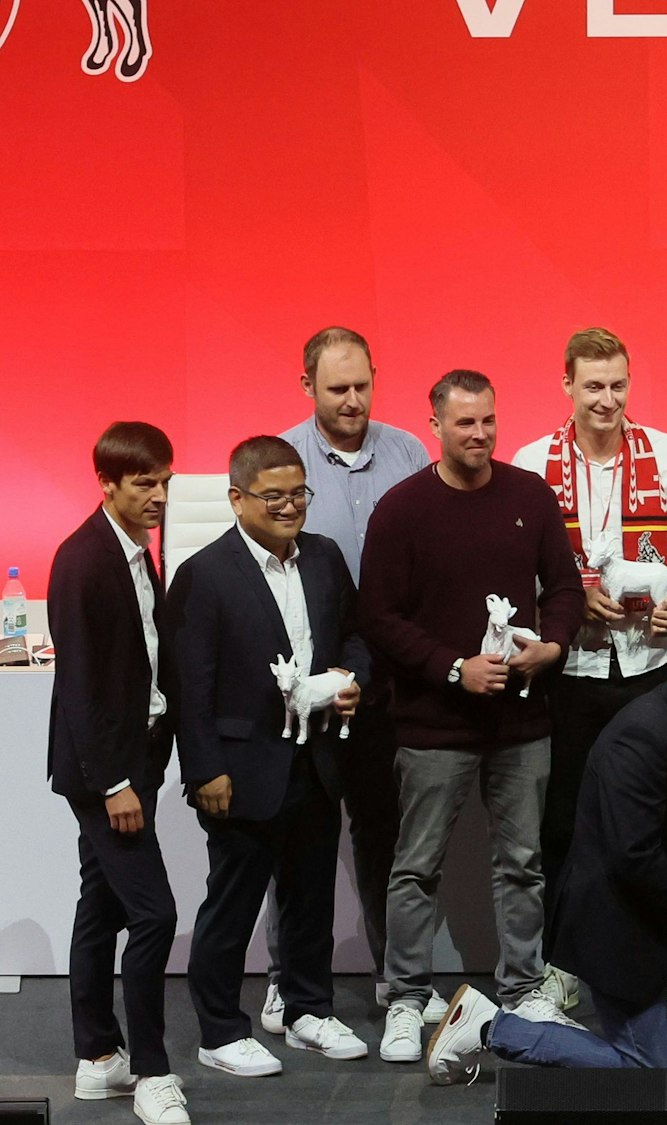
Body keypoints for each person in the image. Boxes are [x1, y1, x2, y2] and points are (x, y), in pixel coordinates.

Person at [423, 620, 667, 1080]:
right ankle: (491, 1028)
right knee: (644, 1076)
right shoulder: (641, 736)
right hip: (621, 921)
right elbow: (632, 859)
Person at [360, 370, 585, 1063]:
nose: (481, 434)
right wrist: (453, 667)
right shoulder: (401, 508)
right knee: (415, 866)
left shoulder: (529, 494)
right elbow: (379, 617)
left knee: (522, 863)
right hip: (432, 725)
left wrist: (550, 646)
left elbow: (568, 588)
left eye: (489, 421)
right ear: (435, 424)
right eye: (466, 423)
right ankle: (404, 997)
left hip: (522, 723)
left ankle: (523, 990)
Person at [168, 437, 371, 1077]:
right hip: (239, 769)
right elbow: (188, 684)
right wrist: (204, 770)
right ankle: (221, 1031)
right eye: (273, 495)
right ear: (237, 498)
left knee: (310, 899)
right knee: (231, 906)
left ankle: (308, 1011)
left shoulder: (325, 557)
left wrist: (350, 676)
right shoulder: (203, 573)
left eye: (298, 493)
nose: (289, 507)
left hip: (316, 764)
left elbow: (357, 633)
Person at [509, 328, 667, 1011]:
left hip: (649, 663)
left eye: (618, 384)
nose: (608, 399)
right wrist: (567, 595)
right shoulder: (535, 460)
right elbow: (525, 560)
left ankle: (654, 964)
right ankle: (563, 963)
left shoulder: (665, 451)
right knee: (565, 822)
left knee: (649, 823)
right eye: (594, 385)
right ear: (568, 385)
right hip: (575, 666)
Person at [273, 325, 435, 1031]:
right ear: (307, 385)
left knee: (382, 832)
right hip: (311, 679)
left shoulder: (409, 452)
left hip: (394, 679)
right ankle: (287, 977)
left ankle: (391, 974)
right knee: (300, 830)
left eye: (362, 385)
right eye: (337, 388)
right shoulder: (283, 459)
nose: (352, 400)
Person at [48, 422, 188, 1125]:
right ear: (107, 483)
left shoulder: (137, 550)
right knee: (155, 913)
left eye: (164, 479)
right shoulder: (82, 560)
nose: (159, 494)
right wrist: (112, 785)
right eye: (144, 483)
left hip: (138, 758)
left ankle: (99, 1056)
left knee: (100, 903)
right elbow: (78, 687)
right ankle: (152, 1071)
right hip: (105, 772)